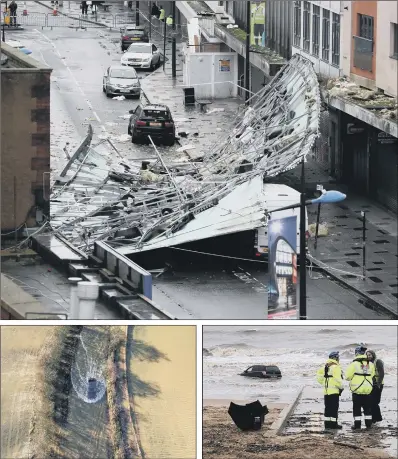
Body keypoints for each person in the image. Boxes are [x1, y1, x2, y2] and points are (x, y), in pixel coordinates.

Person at [345, 345, 375, 430]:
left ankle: (357, 426)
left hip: (357, 390)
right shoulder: (371, 364)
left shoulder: (354, 364)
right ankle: (368, 425)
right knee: (367, 409)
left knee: (357, 408)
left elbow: (347, 377)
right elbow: (372, 375)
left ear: (356, 353)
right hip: (368, 390)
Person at [316, 351, 343, 430]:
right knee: (334, 408)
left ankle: (327, 425)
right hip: (334, 391)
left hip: (326, 391)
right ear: (335, 358)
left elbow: (319, 378)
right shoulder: (336, 367)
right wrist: (341, 387)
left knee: (327, 408)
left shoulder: (324, 367)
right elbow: (338, 380)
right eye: (338, 357)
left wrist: (324, 383)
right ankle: (334, 425)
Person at [366, 349, 385, 424]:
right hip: (370, 384)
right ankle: (375, 418)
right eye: (367, 355)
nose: (368, 356)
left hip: (378, 384)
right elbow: (364, 373)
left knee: (375, 402)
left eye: (370, 355)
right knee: (371, 402)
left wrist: (378, 384)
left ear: (373, 355)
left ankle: (376, 418)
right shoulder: (366, 363)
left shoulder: (378, 361)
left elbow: (382, 373)